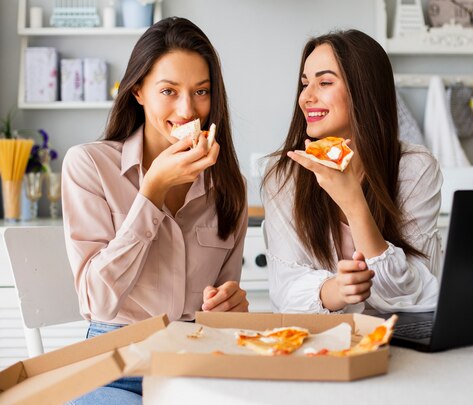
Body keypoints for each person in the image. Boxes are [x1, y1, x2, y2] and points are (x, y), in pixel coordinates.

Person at [62, 17, 248, 403]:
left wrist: (232, 304)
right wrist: (152, 191)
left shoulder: (230, 186)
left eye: (201, 91)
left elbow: (225, 300)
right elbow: (97, 301)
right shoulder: (89, 165)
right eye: (169, 90)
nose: (188, 109)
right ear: (138, 91)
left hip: (198, 360)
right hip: (116, 363)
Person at [262, 29, 442, 314]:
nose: (306, 97)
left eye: (324, 82)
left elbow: (411, 292)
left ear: (363, 90)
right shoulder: (284, 176)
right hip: (321, 344)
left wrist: (353, 203)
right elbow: (286, 291)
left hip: (402, 338)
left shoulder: (414, 168)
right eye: (305, 83)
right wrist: (338, 289)